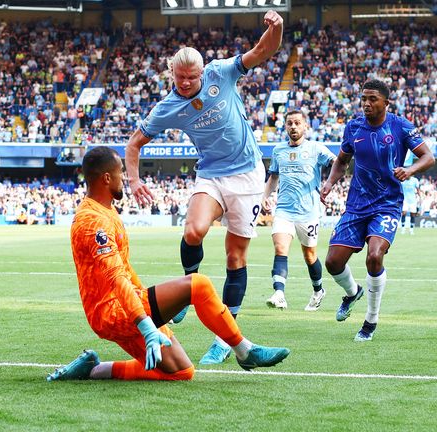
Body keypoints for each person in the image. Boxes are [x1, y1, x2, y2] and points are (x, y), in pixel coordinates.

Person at [46, 146, 289, 382]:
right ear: (107, 178)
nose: (126, 178)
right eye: (122, 172)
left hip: (124, 306)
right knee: (199, 285)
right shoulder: (92, 222)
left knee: (181, 372)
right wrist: (145, 323)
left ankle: (92, 370)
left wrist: (145, 315)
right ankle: (244, 350)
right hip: (114, 311)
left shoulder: (104, 210)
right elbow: (116, 278)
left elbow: (124, 272)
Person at [125, 10, 284, 365]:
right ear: (171, 74)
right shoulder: (168, 107)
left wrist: (278, 28)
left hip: (247, 176)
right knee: (194, 231)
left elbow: (262, 52)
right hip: (210, 173)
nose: (185, 83)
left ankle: (224, 341)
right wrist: (133, 181)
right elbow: (134, 143)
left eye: (191, 77)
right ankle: (187, 288)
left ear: (202, 72)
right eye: (179, 77)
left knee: (234, 258)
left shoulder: (220, 72)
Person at [321, 79, 435, 342]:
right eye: (364, 99)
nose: (367, 104)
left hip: (387, 204)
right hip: (357, 204)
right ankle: (352, 292)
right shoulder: (353, 127)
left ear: (386, 102)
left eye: (372, 99)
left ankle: (370, 321)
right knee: (333, 262)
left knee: (374, 256)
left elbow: (428, 157)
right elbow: (341, 161)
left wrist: (409, 170)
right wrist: (328, 184)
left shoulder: (401, 126)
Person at [262, 111, 335, 311]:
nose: (293, 127)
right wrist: (265, 196)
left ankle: (318, 290)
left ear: (305, 126)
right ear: (285, 127)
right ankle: (279, 294)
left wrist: (329, 184)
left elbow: (338, 163)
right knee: (280, 248)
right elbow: (273, 177)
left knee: (310, 255)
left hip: (308, 212)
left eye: (297, 123)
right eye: (289, 123)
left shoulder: (316, 149)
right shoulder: (278, 150)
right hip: (284, 210)